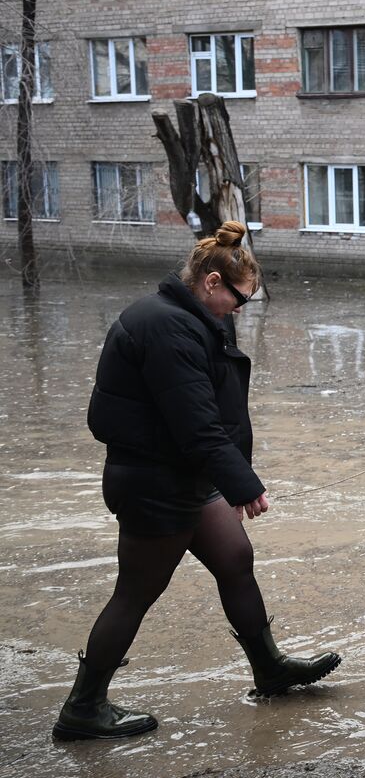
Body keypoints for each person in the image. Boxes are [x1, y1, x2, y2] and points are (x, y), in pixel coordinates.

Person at [55, 222, 340, 742]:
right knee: (136, 592)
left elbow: (212, 416)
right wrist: (242, 484)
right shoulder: (165, 327)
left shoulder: (196, 320)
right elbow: (196, 423)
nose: (240, 308)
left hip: (184, 473)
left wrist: (231, 476)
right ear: (211, 282)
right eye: (239, 298)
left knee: (235, 559)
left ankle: (269, 669)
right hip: (151, 480)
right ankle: (83, 706)